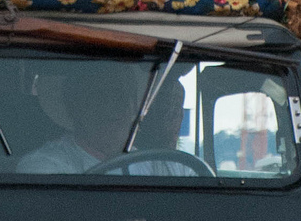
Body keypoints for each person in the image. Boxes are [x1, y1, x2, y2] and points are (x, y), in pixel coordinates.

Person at [14, 62, 200, 176]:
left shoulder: (171, 169)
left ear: (134, 106)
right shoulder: (44, 168)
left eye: (120, 95)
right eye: (98, 96)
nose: (112, 107)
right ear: (74, 106)